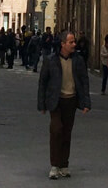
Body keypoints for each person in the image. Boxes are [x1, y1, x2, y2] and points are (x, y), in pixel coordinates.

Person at [38, 30, 91, 179]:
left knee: (67, 133)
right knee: (56, 130)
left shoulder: (78, 60)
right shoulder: (51, 60)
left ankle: (64, 164)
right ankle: (54, 165)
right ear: (63, 44)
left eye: (74, 42)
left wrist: (86, 102)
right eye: (71, 42)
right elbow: (43, 82)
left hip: (71, 100)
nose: (74, 44)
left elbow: (84, 81)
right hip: (56, 101)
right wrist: (41, 104)